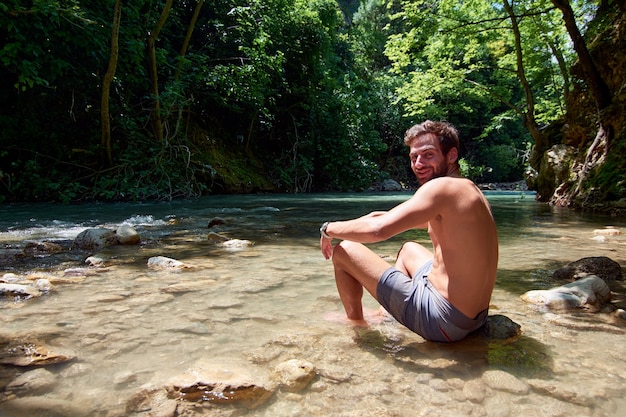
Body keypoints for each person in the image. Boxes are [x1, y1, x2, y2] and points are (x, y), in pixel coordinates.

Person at [319, 120, 498, 343]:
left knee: (344, 250)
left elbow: (378, 230)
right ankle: (387, 315)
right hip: (474, 318)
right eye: (414, 157)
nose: (419, 164)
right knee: (408, 249)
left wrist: (328, 230)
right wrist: (348, 223)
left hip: (443, 322)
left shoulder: (441, 188)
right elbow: (381, 217)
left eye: (428, 155)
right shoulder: (467, 190)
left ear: (451, 156)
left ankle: (357, 322)